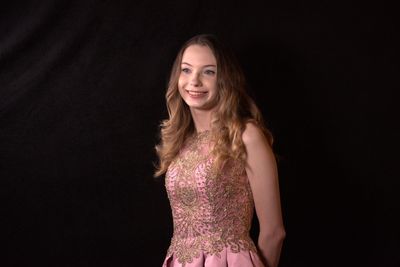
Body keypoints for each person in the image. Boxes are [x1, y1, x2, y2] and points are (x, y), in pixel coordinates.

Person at [154, 34, 285, 267]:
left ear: (225, 79)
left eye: (208, 72)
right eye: (186, 70)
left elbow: (274, 232)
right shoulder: (180, 140)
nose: (194, 81)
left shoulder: (246, 135)